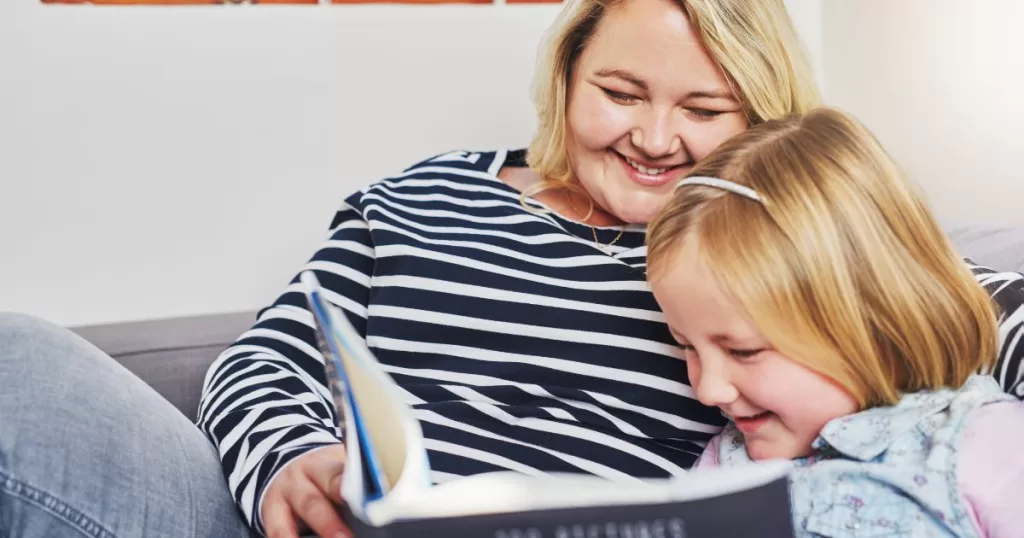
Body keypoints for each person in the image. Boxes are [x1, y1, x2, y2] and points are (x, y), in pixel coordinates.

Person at [1, 0, 1022, 537]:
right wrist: (287, 463)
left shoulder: (768, 252)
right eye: (620, 89)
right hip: (305, 523)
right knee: (21, 367)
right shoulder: (421, 193)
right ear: (566, 75)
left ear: (764, 120)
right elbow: (267, 357)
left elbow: (925, 313)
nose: (655, 138)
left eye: (705, 112)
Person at [646, 107, 1024, 537]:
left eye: (743, 351)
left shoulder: (983, 444)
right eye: (687, 346)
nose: (708, 389)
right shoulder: (726, 462)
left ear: (877, 320)